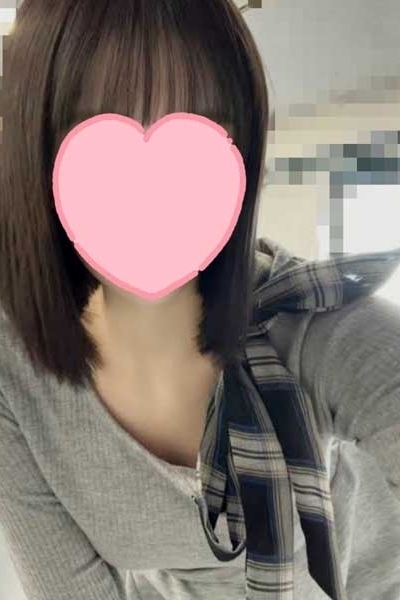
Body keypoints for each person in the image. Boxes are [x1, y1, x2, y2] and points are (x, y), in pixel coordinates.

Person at [1, 1, 400, 599]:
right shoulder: (14, 370)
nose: (153, 188)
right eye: (95, 127)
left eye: (201, 126)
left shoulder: (316, 326)